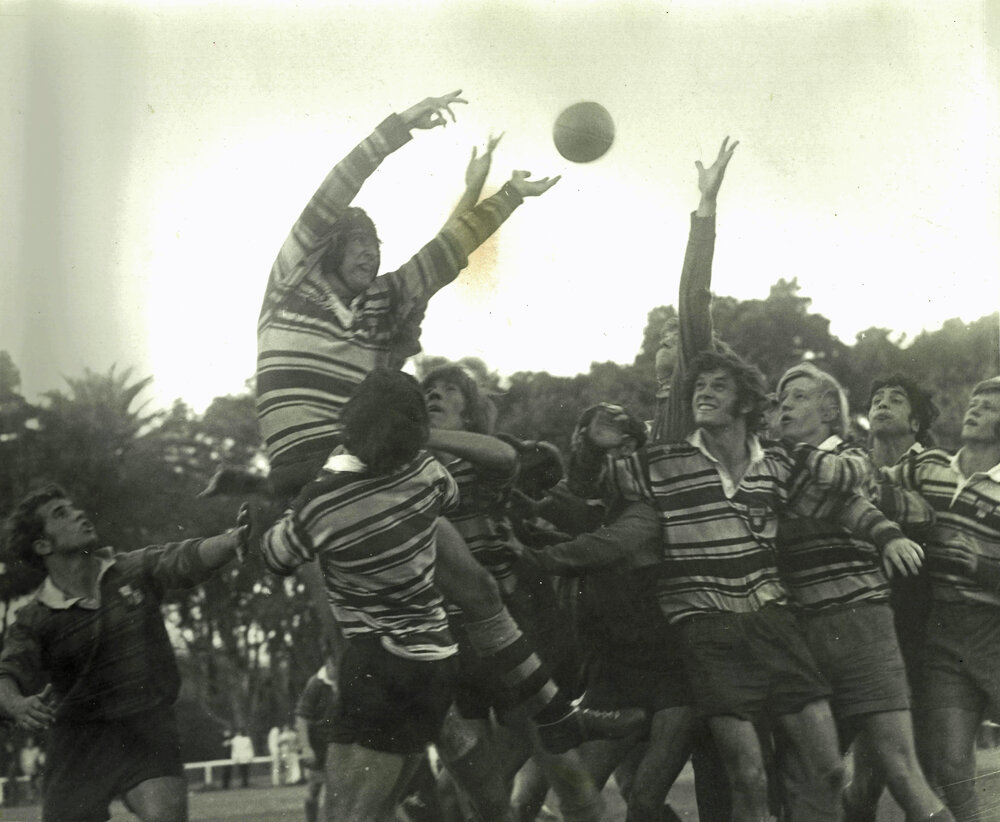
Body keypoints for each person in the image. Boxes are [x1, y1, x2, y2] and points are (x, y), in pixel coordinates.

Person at [578, 349, 924, 822]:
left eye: (718, 386)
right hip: (708, 630)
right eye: (699, 386)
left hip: (778, 626)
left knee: (826, 770)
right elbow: (596, 484)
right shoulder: (665, 460)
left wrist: (887, 534)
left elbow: (843, 502)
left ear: (744, 404)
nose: (704, 393)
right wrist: (592, 447)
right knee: (747, 777)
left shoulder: (778, 461)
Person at [255, 90, 557, 498]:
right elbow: (333, 191)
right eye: (358, 241)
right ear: (330, 247)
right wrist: (400, 126)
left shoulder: (384, 301)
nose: (369, 251)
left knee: (440, 489)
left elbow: (447, 249)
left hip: (361, 463)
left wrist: (510, 195)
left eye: (374, 244)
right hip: (301, 466)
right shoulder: (290, 283)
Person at [0, 484, 249, 822]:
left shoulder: (131, 569)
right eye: (61, 514)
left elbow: (184, 557)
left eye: (73, 507)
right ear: (43, 545)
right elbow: (8, 671)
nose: (79, 513)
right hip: (78, 744)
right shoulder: (35, 617)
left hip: (145, 726)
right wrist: (16, 704)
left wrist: (233, 540)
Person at [773, 362, 952, 822]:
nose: (784, 405)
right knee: (811, 775)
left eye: (797, 396)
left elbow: (869, 501)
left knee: (901, 769)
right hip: (802, 631)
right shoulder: (776, 467)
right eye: (780, 399)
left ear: (829, 410)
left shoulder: (850, 457)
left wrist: (886, 528)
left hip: (862, 622)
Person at [875, 376, 1000, 821]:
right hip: (944, 635)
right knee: (950, 765)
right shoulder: (931, 469)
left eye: (990, 406)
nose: (975, 408)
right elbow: (873, 483)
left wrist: (982, 566)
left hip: (994, 631)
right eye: (975, 401)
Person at [296, 658, 338, 822]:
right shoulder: (315, 683)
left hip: (338, 743)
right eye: (336, 666)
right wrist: (306, 747)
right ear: (329, 663)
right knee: (314, 788)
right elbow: (301, 717)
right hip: (318, 745)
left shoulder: (345, 682)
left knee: (337, 790)